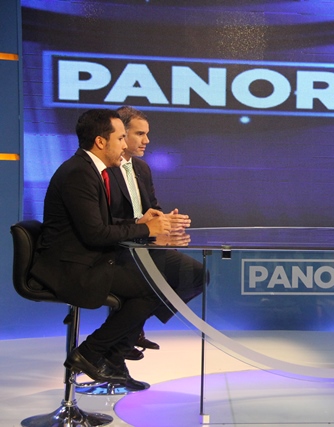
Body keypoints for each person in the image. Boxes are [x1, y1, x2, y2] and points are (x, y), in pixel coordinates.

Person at [30, 109, 172, 390]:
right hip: (71, 268)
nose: (124, 145)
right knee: (152, 287)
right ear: (100, 142)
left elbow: (101, 224)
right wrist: (146, 230)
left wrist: (138, 223)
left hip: (83, 259)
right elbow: (95, 233)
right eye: (120, 138)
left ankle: (106, 352)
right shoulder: (79, 173)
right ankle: (92, 352)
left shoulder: (89, 169)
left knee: (157, 280)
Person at [107, 106, 204, 360]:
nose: (147, 141)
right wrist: (146, 228)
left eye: (147, 134)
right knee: (150, 282)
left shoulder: (141, 168)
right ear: (121, 134)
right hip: (118, 248)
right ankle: (124, 336)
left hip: (144, 244)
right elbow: (104, 221)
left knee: (195, 275)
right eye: (139, 134)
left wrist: (168, 222)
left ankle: (130, 327)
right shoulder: (105, 169)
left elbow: (153, 209)